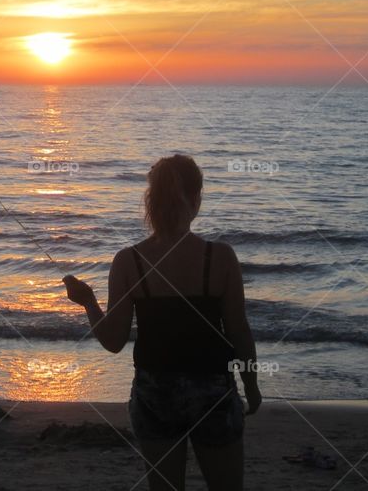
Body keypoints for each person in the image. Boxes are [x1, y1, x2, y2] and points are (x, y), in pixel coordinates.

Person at [63, 154, 261, 491]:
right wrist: (252, 385)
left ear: (150, 202)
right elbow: (238, 331)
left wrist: (88, 303)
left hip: (155, 394)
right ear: (196, 199)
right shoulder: (220, 257)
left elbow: (113, 341)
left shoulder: (129, 261)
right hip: (212, 390)